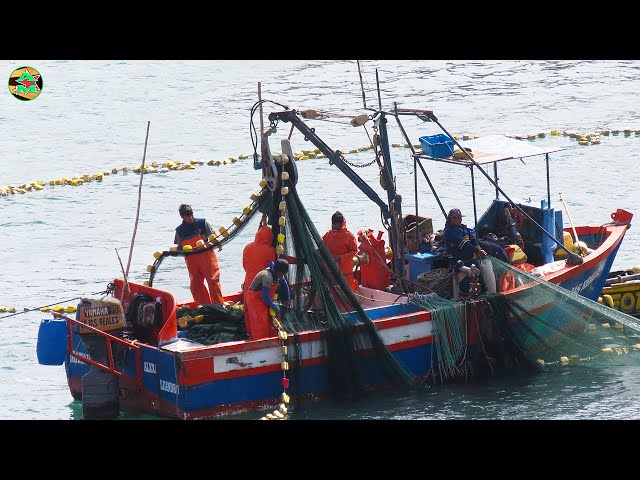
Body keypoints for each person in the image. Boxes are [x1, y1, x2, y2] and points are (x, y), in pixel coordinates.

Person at [174, 203, 224, 305]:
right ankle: (204, 306)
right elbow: (179, 247)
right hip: (192, 262)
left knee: (213, 281)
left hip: (208, 259)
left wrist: (218, 244)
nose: (190, 217)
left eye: (191, 214)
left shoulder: (202, 223)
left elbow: (213, 236)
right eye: (187, 216)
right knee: (196, 285)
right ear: (183, 217)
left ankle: (218, 305)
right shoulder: (179, 230)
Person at [443, 208, 487, 296]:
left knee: (479, 265)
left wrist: (479, 248)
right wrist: (477, 251)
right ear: (452, 219)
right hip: (457, 261)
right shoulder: (449, 232)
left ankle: (482, 289)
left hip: (469, 258)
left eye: (461, 217)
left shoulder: (464, 229)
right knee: (472, 266)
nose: (461, 219)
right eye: (458, 218)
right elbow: (465, 245)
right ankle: (468, 292)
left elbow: (473, 240)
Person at [245, 258, 291, 339]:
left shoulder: (278, 273)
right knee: (260, 321)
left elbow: (284, 284)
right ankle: (260, 340)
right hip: (255, 298)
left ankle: (271, 336)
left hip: (265, 297)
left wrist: (288, 299)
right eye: (283, 273)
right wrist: (275, 307)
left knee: (270, 320)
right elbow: (265, 297)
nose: (282, 275)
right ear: (278, 271)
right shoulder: (267, 277)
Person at [322, 211, 359, 292]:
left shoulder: (349, 236)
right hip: (331, 271)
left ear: (341, 223)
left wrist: (341, 258)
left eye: (336, 223)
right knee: (333, 292)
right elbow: (321, 246)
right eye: (333, 223)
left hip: (345, 272)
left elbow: (354, 251)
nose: (334, 225)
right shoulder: (328, 235)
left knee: (346, 293)